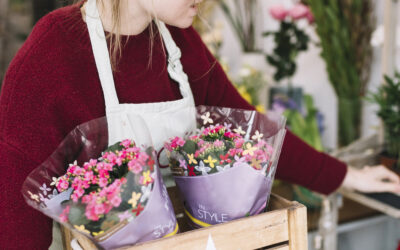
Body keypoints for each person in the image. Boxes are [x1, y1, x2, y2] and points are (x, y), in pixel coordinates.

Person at [0, 0, 399, 249]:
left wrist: (345, 176)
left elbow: (252, 134)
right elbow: (15, 226)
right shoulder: (53, 56)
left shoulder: (180, 41)